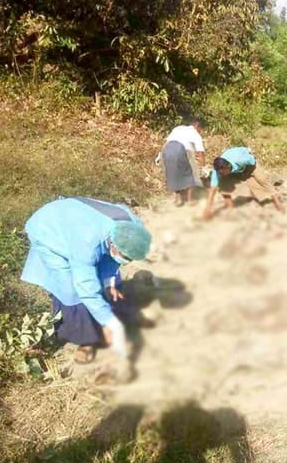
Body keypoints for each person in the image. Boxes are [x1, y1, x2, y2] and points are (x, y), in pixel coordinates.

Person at [21, 197, 152, 364]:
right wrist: (110, 323)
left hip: (76, 218)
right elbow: (85, 287)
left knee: (110, 282)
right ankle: (86, 339)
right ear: (112, 244)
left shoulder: (133, 228)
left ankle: (119, 314)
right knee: (71, 288)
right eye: (124, 256)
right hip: (49, 229)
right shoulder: (88, 243)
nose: (127, 261)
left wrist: (109, 283)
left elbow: (113, 260)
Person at [202, 146, 284, 219]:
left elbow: (252, 161)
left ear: (227, 167)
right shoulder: (218, 171)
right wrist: (207, 208)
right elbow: (213, 190)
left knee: (262, 180)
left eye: (222, 172)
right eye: (220, 173)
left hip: (250, 164)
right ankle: (230, 208)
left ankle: (277, 202)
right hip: (235, 168)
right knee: (222, 183)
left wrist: (248, 175)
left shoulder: (242, 159)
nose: (221, 174)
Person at [158, 120, 206, 206]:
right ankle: (190, 200)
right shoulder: (195, 134)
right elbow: (200, 152)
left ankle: (177, 198)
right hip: (181, 149)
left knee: (172, 174)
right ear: (197, 127)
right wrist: (203, 166)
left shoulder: (178, 128)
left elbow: (167, 142)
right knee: (190, 174)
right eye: (200, 129)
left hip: (167, 150)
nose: (200, 131)